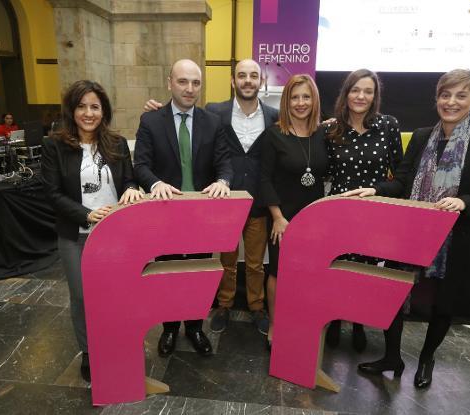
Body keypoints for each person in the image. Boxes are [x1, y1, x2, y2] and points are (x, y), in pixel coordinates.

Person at [342, 69, 470, 388]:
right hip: (412, 233)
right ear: (437, 98)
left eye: (461, 96)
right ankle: (392, 356)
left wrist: (466, 202)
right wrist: (375, 189)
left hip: (457, 240)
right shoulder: (422, 136)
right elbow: (404, 181)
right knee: (393, 294)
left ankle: (426, 359)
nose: (451, 102)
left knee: (442, 304)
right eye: (445, 95)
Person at [143, 59, 278, 336]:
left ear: (261, 81)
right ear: (233, 80)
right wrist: (158, 110)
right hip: (221, 204)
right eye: (242, 75)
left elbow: (299, 126)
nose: (248, 80)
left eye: (254, 76)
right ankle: (222, 306)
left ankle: (256, 307)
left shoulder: (274, 115)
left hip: (257, 199)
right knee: (222, 261)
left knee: (254, 263)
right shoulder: (216, 111)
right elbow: (177, 118)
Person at [41, 80, 143, 382]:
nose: (88, 113)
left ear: (104, 111)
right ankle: (89, 350)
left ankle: (116, 343)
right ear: (72, 111)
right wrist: (87, 214)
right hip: (76, 236)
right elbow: (52, 193)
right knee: (83, 298)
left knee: (117, 295)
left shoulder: (117, 143)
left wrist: (132, 189)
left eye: (95, 107)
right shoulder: (54, 146)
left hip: (116, 236)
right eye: (82, 106)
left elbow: (129, 179)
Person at [134, 59, 232, 357]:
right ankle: (169, 328)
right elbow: (140, 164)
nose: (190, 89)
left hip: (201, 216)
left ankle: (194, 327)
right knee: (168, 273)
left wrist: (224, 180)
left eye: (196, 83)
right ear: (169, 83)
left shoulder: (212, 122)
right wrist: (154, 184)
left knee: (198, 274)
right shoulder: (151, 121)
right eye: (183, 81)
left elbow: (224, 161)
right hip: (166, 214)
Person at [324, 69, 403, 352]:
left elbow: (402, 174)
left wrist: (379, 190)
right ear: (346, 93)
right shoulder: (330, 129)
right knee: (338, 269)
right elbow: (322, 171)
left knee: (364, 271)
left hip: (373, 213)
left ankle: (357, 322)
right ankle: (334, 319)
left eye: (367, 91)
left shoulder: (388, 126)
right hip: (339, 213)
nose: (361, 96)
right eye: (355, 90)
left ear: (375, 96)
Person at [259, 74, 328, 347]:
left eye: (306, 97)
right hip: (283, 219)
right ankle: (275, 325)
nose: (301, 103)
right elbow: (264, 178)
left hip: (315, 220)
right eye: (295, 97)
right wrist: (276, 217)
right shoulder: (274, 134)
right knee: (277, 271)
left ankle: (299, 320)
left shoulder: (324, 133)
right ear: (287, 101)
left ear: (314, 100)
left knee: (307, 272)